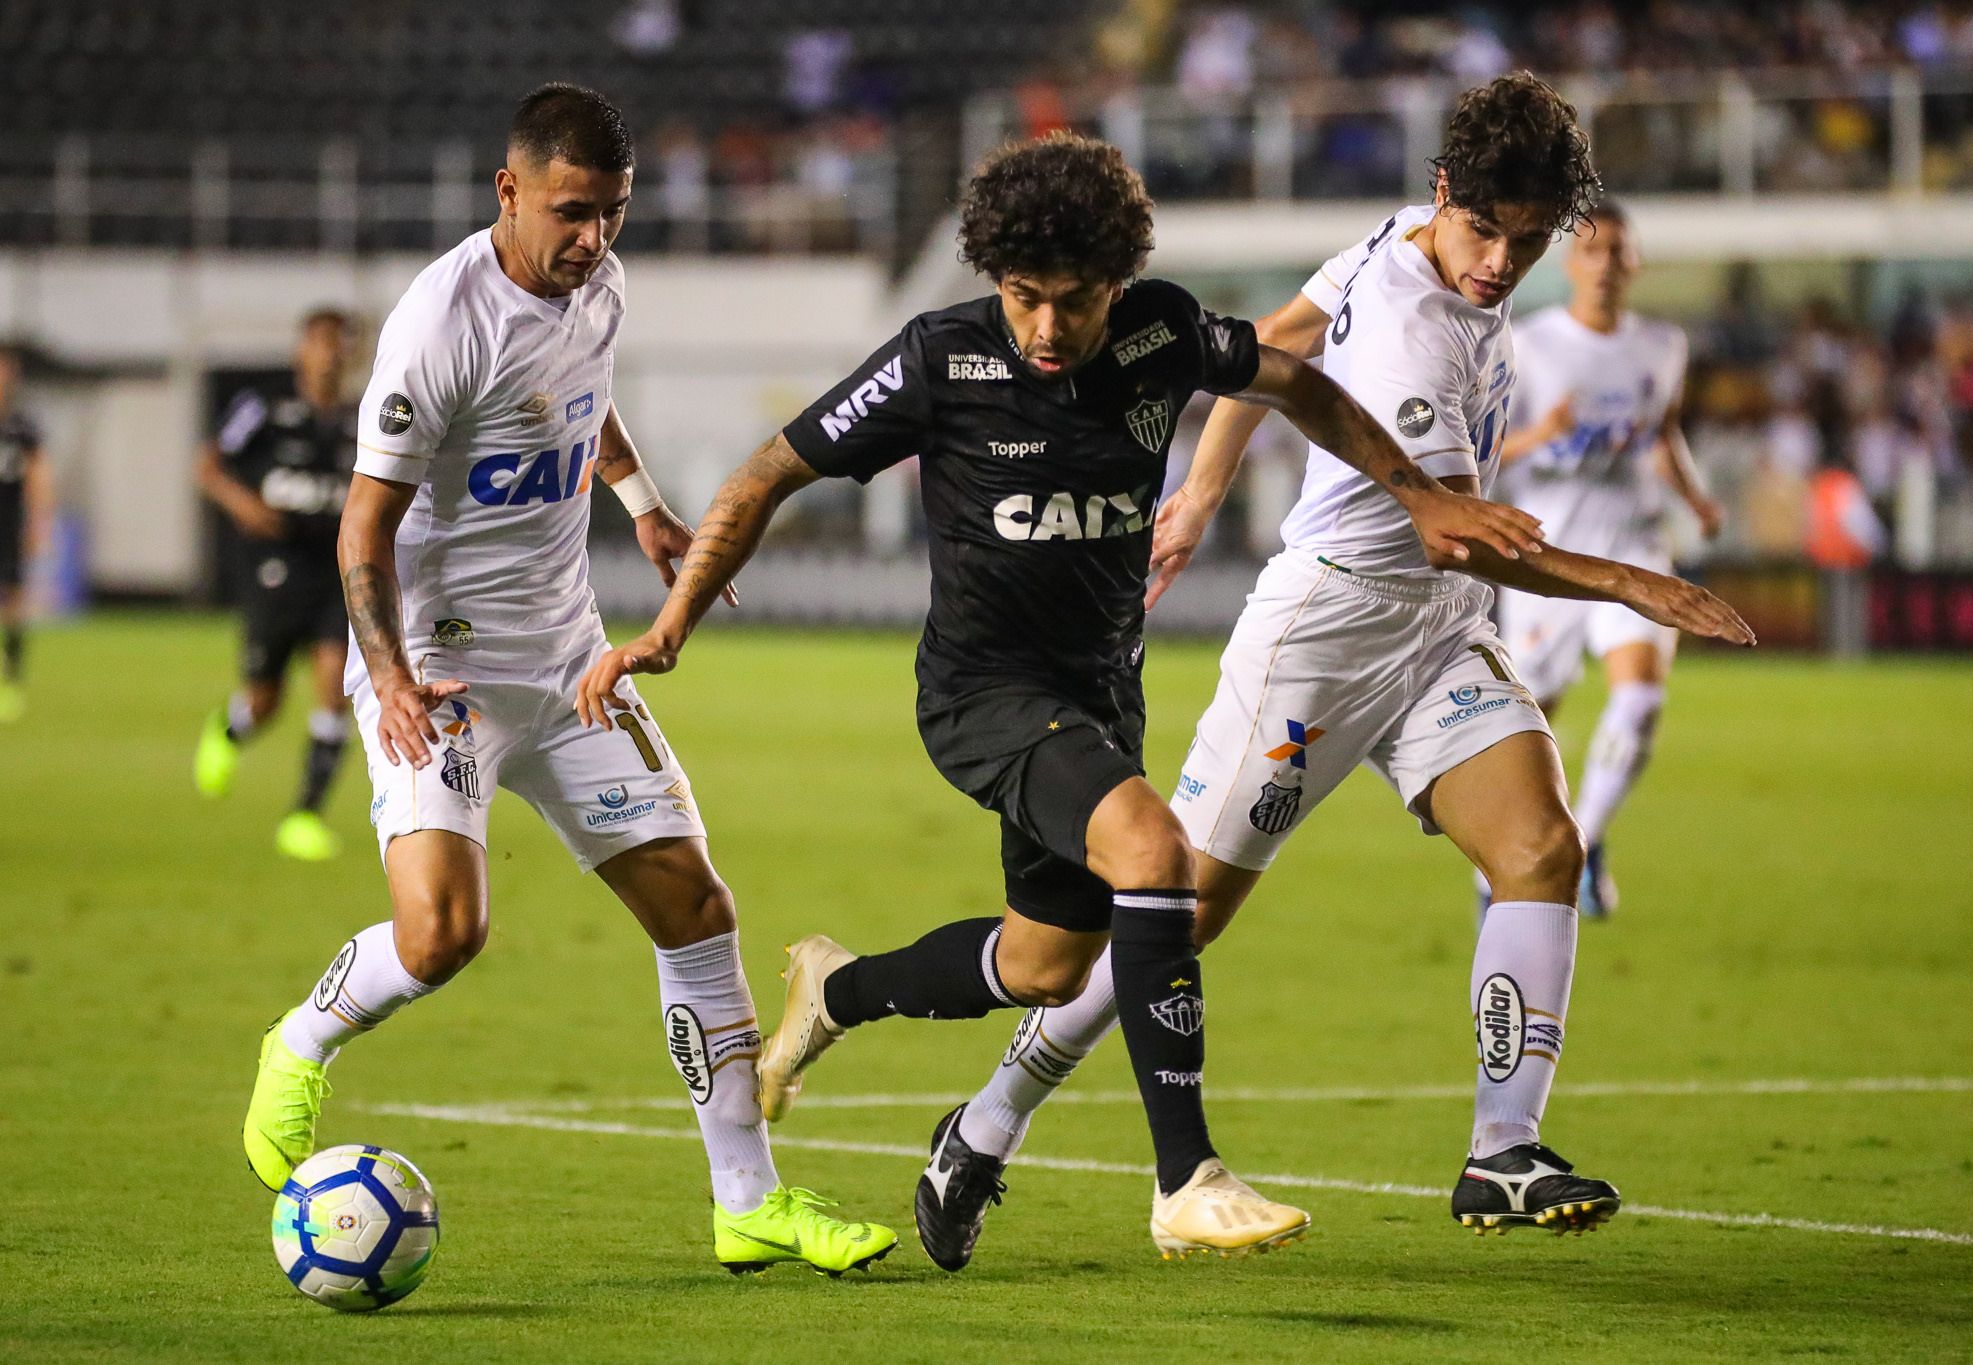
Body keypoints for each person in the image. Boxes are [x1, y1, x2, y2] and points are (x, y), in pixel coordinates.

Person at [573, 130, 1546, 1264]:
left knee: (1045, 966)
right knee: (1154, 856)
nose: (1043, 328)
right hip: (982, 695)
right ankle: (1185, 1177)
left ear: (1117, 285)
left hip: (1096, 696)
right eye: (1022, 298)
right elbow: (763, 474)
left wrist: (1415, 496)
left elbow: (1295, 386)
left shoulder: (1160, 330)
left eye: (1070, 302)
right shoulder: (938, 359)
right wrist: (672, 622)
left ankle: (838, 991)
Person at [938, 74, 1757, 1267]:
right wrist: (1633, 581)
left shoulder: (1395, 246)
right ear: (1444, 196)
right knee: (1181, 916)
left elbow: (1271, 344)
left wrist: (1202, 487)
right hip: (1323, 637)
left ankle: (1500, 1153)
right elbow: (1454, 527)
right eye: (1484, 232)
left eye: (1526, 242)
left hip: (1434, 636)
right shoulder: (1418, 330)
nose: (1499, 263)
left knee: (1541, 848)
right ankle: (982, 1125)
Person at [240, 83, 895, 1277]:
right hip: (441, 667)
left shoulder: (599, 283)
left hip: (568, 656)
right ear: (510, 191)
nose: (593, 238)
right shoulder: (439, 324)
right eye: (572, 211)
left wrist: (643, 509)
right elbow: (359, 531)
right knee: (442, 935)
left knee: (696, 911)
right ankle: (299, 1041)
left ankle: (747, 1203)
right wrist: (386, 680)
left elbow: (583, 404)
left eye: (613, 213)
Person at [1490, 202, 1725, 918]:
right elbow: (1484, 450)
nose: (1608, 264)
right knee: (1530, 729)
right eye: (1594, 252)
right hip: (1548, 556)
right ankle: (1499, 869)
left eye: (1621, 251)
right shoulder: (1527, 345)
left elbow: (1663, 432)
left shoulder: (1663, 344)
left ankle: (1582, 846)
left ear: (1637, 263)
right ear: (1570, 264)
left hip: (1636, 542)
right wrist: (1542, 434)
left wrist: (1697, 497)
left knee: (1641, 696)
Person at [192, 309, 360, 859]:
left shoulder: (368, 417)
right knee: (266, 700)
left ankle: (304, 815)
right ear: (301, 351)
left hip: (339, 571)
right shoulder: (261, 409)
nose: (331, 354)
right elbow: (209, 466)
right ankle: (230, 729)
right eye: (321, 343)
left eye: (340, 345)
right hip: (276, 568)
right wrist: (243, 503)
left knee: (335, 686)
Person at [0, 344, 49, 723]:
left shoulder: (22, 426)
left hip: (9, 522)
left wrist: (39, 521)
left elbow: (38, 476)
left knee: (14, 600)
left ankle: (11, 680)